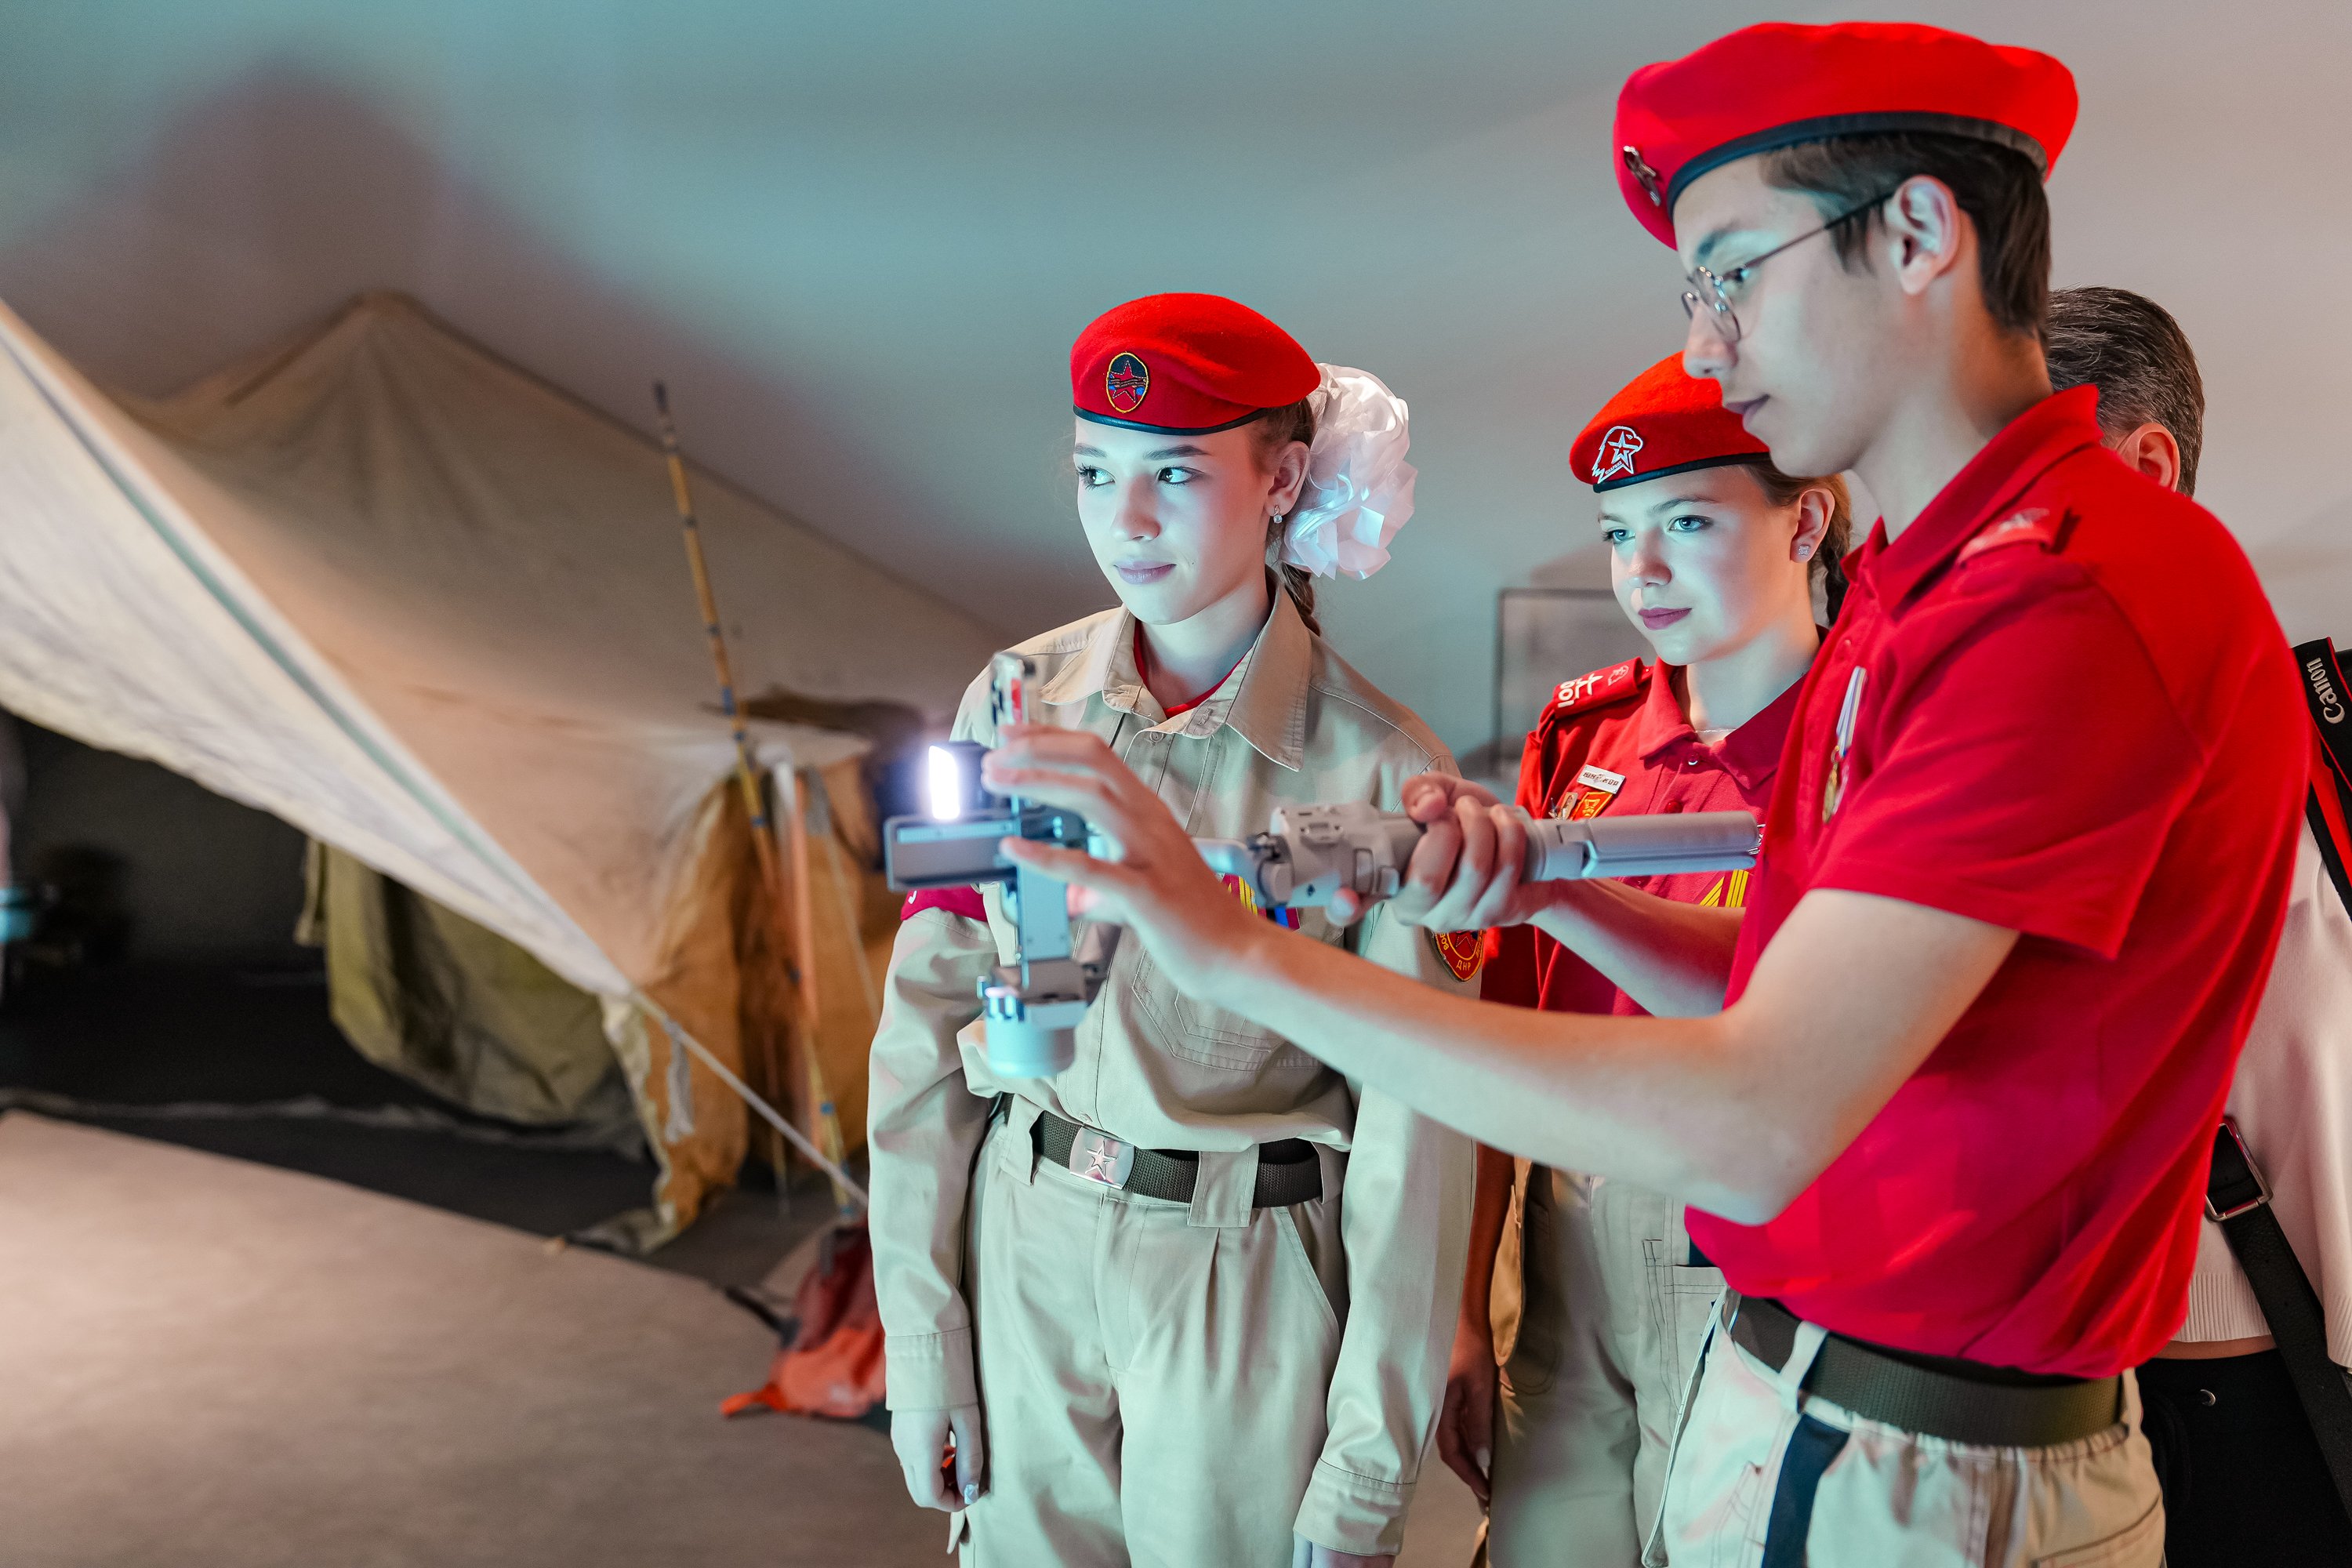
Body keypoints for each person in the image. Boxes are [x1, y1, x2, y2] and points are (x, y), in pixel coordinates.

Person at [978, 23, 2308, 1566]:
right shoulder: (1918, 595)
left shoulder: (2067, 600)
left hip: (1936, 1454)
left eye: (1733, 276)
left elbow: (1759, 1116)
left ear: (1919, 234)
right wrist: (1554, 889)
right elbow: (1788, 981)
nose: (1713, 350)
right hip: (1811, 1397)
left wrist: (1233, 955)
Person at [866, 292, 1475, 1568]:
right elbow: (923, 1032)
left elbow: (1414, 1155)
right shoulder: (1016, 705)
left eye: (1175, 474)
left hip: (1239, 1274)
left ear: (1282, 480)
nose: (1125, 519)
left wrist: (1366, 1477)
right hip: (1025, 1240)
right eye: (1096, 471)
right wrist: (924, 1344)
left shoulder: (1383, 776)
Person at [1436, 356, 1848, 1566]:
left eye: (1687, 524)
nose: (1642, 571)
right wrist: (1464, 1302)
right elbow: (1504, 1035)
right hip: (1565, 1233)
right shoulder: (1587, 736)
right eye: (1620, 535)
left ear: (1805, 521)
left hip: (1752, 1232)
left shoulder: (1866, 737)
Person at [2046, 283, 2352, 1565]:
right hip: (2052, 1404)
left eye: (2019, 481)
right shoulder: (1991, 760)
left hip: (2282, 1393)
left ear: (2149, 469)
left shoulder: (2325, 734)